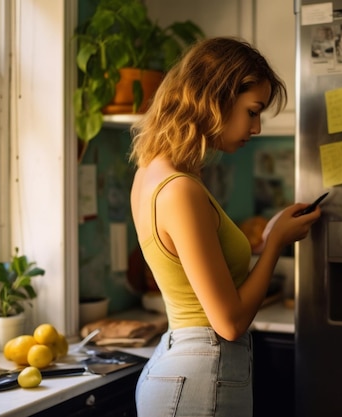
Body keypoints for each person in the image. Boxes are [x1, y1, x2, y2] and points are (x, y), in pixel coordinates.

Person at [128, 37, 321, 417]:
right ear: (215, 98)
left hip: (183, 368)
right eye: (252, 111)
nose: (258, 126)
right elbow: (229, 323)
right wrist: (273, 243)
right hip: (200, 377)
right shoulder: (180, 189)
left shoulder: (152, 173)